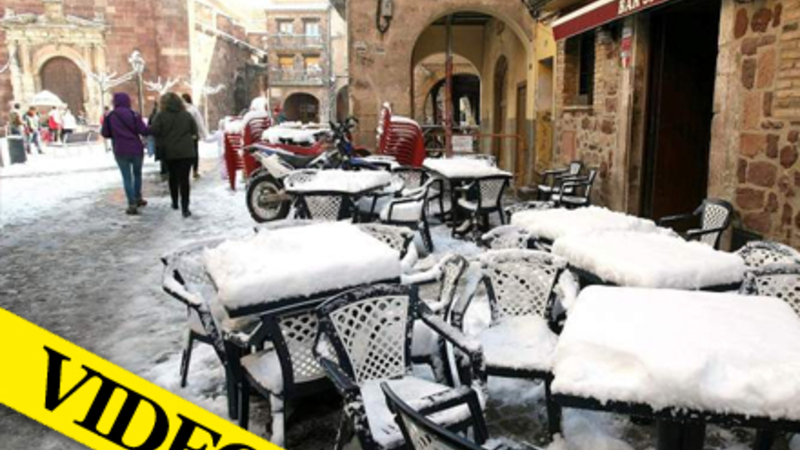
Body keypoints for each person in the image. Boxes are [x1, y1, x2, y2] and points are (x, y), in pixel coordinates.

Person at [101, 93, 150, 215]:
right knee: (137, 174)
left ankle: (131, 203)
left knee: (126, 177)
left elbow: (105, 133)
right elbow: (143, 131)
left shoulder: (110, 116)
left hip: (120, 150)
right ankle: (138, 197)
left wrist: (116, 134)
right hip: (136, 149)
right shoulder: (134, 114)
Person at [151, 92, 198, 218]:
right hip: (186, 152)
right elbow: (194, 130)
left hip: (169, 152)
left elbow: (154, 130)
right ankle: (185, 207)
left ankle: (175, 202)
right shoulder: (186, 115)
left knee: (172, 176)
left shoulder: (160, 116)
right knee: (184, 180)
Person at [180, 93, 208, 179]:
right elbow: (199, 122)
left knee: (185, 153)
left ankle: (185, 170)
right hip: (193, 134)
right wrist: (203, 133)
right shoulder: (193, 109)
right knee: (194, 152)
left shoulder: (180, 110)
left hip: (183, 135)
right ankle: (195, 170)